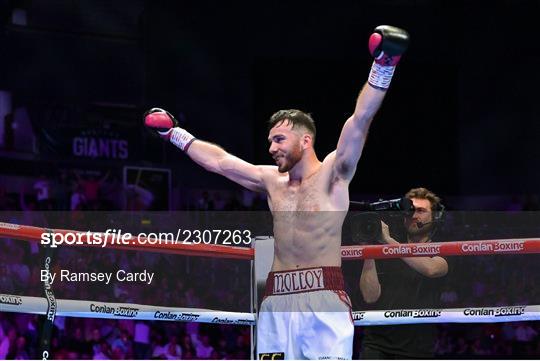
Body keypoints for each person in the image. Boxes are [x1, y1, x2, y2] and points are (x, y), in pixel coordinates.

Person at [145, 25, 409, 359]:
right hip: (276, 298)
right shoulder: (271, 180)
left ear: (305, 140)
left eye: (279, 139)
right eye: (270, 140)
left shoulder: (333, 173)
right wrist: (175, 134)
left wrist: (383, 65)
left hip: (323, 296)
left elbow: (360, 120)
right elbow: (221, 163)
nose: (271, 147)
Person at [359, 187, 449, 359]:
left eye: (421, 211)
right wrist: (369, 250)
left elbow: (431, 269)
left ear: (435, 217)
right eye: (411, 210)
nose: (414, 215)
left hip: (417, 349)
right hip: (376, 345)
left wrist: (388, 240)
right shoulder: (384, 250)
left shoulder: (442, 249)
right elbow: (370, 297)